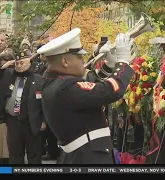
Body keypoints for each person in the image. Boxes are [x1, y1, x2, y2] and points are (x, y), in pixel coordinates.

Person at [38, 28, 135, 164]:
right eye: (79, 57)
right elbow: (109, 91)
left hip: (81, 154)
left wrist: (108, 66)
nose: (83, 60)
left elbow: (89, 90)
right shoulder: (65, 87)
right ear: (65, 61)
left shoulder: (55, 81)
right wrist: (123, 62)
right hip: (88, 157)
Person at [0, 51, 45, 164]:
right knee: (15, 155)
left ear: (30, 62)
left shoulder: (39, 80)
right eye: (17, 63)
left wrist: (44, 121)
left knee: (34, 155)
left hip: (31, 122)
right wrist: (5, 65)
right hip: (13, 121)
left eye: (22, 63)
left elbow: (45, 102)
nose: (19, 66)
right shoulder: (9, 75)